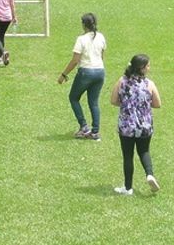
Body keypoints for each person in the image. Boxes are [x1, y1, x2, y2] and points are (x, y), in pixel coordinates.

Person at [110, 54, 161, 195]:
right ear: (141, 68)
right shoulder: (149, 84)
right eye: (148, 65)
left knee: (128, 156)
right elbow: (157, 104)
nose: (149, 68)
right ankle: (149, 174)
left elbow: (113, 100)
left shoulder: (122, 81)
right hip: (145, 125)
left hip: (126, 125)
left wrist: (127, 105)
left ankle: (128, 188)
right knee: (144, 151)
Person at [58, 13, 107, 141]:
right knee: (94, 102)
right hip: (100, 72)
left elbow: (75, 60)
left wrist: (63, 75)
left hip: (86, 72)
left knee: (73, 98)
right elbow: (102, 56)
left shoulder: (81, 39)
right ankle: (95, 132)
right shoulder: (101, 37)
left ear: (84, 24)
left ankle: (84, 127)